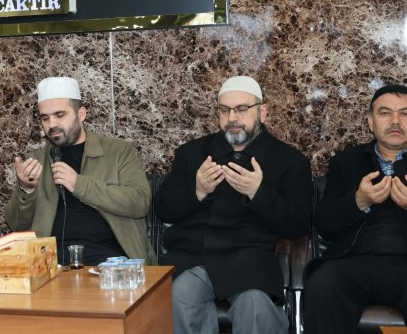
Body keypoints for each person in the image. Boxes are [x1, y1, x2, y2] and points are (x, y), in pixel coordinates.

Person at [154, 76, 311, 334]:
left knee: (255, 306)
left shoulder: (290, 161)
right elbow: (163, 208)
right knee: (178, 296)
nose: (232, 118)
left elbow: (298, 224)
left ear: (262, 112)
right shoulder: (192, 153)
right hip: (195, 258)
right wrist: (198, 190)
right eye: (225, 110)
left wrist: (258, 193)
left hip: (251, 261)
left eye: (242, 109)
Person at [5, 77, 154, 267]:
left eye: (60, 115)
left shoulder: (118, 152)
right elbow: (16, 225)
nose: (52, 124)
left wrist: (79, 185)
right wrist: (26, 189)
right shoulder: (35, 161)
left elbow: (140, 202)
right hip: (49, 261)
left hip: (108, 259)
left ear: (81, 114)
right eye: (45, 118)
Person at [304, 84, 407, 333]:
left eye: (405, 113)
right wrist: (359, 201)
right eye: (385, 113)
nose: (395, 121)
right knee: (323, 283)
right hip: (355, 262)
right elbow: (325, 226)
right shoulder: (346, 163)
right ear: (371, 122)